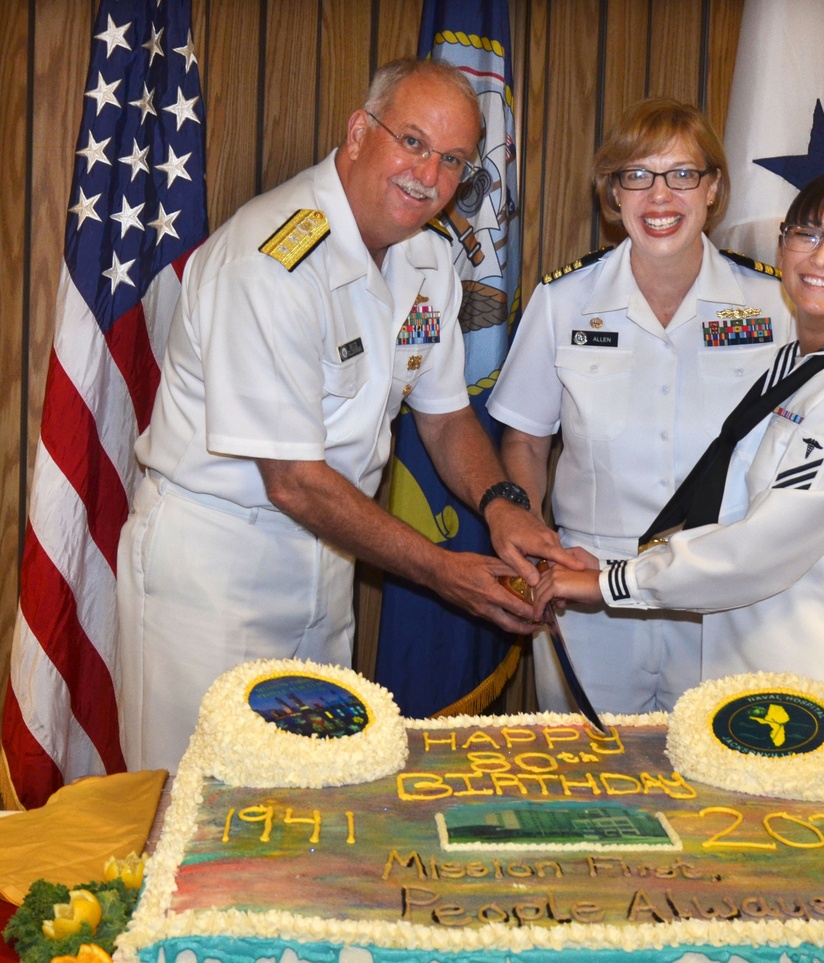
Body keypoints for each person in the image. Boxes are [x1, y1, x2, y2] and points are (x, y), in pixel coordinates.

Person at [116, 58, 576, 773]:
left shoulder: (427, 259)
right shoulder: (271, 259)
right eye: (413, 142)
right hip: (216, 570)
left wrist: (504, 503)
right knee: (194, 816)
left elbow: (447, 419)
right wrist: (443, 571)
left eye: (453, 160)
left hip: (329, 559)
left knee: (309, 809)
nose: (428, 174)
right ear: (360, 131)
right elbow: (293, 480)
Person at [531, 171, 824, 788]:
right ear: (782, 248)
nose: (822, 258)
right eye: (807, 235)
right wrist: (619, 557)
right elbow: (726, 503)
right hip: (760, 695)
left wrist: (610, 581)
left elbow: (761, 546)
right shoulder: (797, 368)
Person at [486, 98, 794, 714]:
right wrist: (536, 537)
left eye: (682, 174)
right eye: (637, 175)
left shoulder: (774, 305)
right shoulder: (563, 301)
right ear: (613, 192)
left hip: (720, 595)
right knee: (584, 789)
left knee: (715, 788)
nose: (660, 196)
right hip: (588, 592)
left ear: (713, 189)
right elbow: (525, 438)